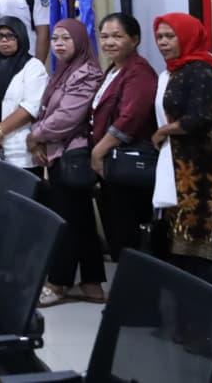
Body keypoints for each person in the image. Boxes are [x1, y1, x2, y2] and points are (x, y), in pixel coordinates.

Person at [151, 13, 212, 268]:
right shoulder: (173, 71)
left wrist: (162, 132)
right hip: (179, 160)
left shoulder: (202, 71)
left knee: (201, 234)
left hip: (203, 165)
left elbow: (200, 117)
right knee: (177, 233)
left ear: (187, 36)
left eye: (170, 36)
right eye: (159, 37)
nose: (163, 42)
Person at [27, 18, 105, 306]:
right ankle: (92, 282)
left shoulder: (86, 74)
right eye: (55, 38)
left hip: (72, 153)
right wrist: (41, 137)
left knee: (67, 220)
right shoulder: (65, 70)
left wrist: (35, 136)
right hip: (60, 151)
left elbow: (67, 117)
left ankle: (58, 282)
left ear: (80, 41)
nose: (59, 44)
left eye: (66, 38)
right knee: (80, 218)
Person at [88, 13, 158, 260]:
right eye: (104, 36)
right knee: (116, 227)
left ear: (135, 39)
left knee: (128, 230)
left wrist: (98, 151)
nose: (109, 42)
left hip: (129, 161)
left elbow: (130, 119)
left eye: (117, 36)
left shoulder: (139, 72)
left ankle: (133, 277)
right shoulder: (114, 70)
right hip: (112, 160)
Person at [0, 17, 47, 179]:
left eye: (10, 36)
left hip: (20, 149)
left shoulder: (33, 66)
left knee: (21, 194)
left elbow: (30, 107)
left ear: (21, 37)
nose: (4, 40)